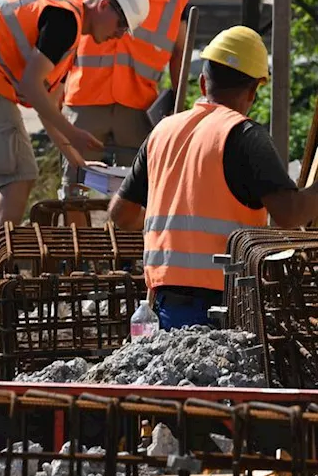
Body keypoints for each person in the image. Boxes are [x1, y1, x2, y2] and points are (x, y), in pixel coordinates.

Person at [108, 26, 319, 330]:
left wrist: (171, 228)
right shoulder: (246, 136)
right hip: (226, 303)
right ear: (253, 91)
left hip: (163, 303)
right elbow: (289, 213)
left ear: (204, 82)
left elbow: (121, 214)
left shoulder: (162, 132)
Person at [0, 0, 150, 306]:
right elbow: (32, 86)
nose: (119, 35)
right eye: (120, 25)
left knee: (16, 176)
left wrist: (75, 157)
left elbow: (45, 102)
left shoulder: (70, 30)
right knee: (17, 177)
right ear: (104, 5)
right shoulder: (65, 22)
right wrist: (74, 132)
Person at [61, 0, 196, 199]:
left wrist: (177, 109)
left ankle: (127, 248)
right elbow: (67, 35)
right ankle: (77, 246)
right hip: (86, 99)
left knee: (136, 196)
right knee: (75, 190)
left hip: (139, 106)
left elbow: (180, 54)